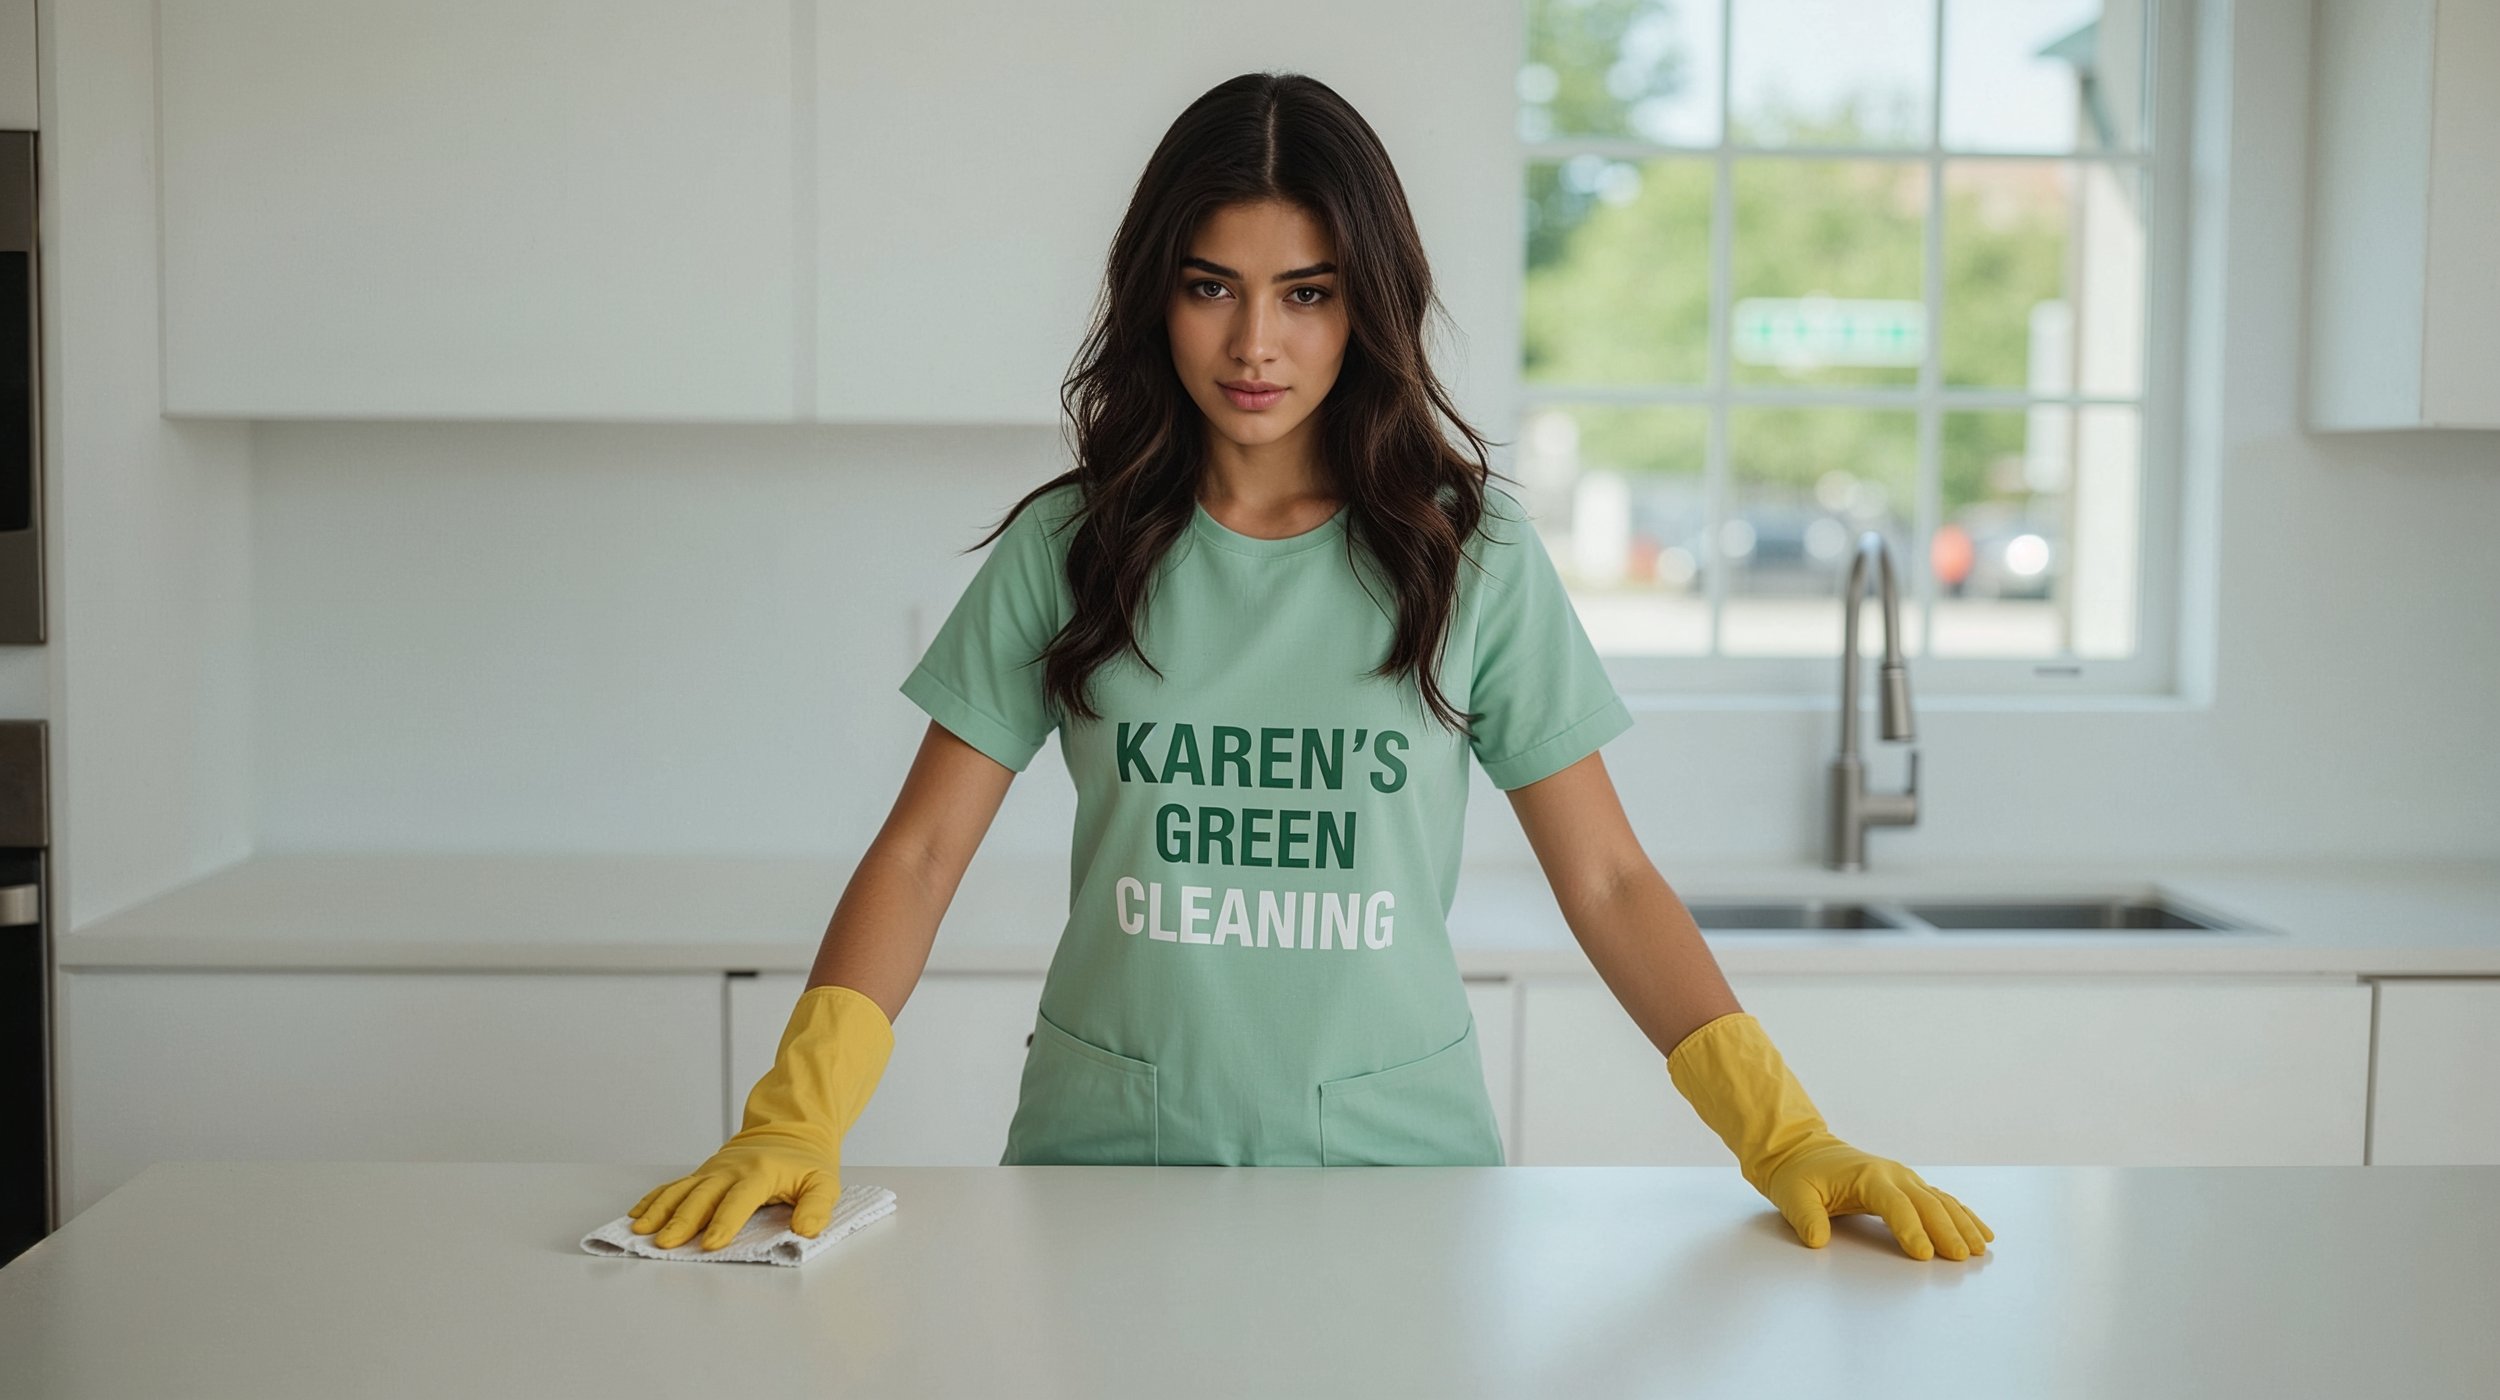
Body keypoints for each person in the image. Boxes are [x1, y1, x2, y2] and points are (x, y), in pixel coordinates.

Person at [627, 71, 1993, 1264]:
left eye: (1307, 294)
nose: (1254, 344)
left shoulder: (1468, 555)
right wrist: (795, 1115)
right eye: (1210, 286)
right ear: (1156, 294)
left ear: (1367, 306)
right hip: (1103, 1172)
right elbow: (924, 854)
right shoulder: (1069, 547)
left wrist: (1783, 1134)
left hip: (1401, 1183)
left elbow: (1609, 880)